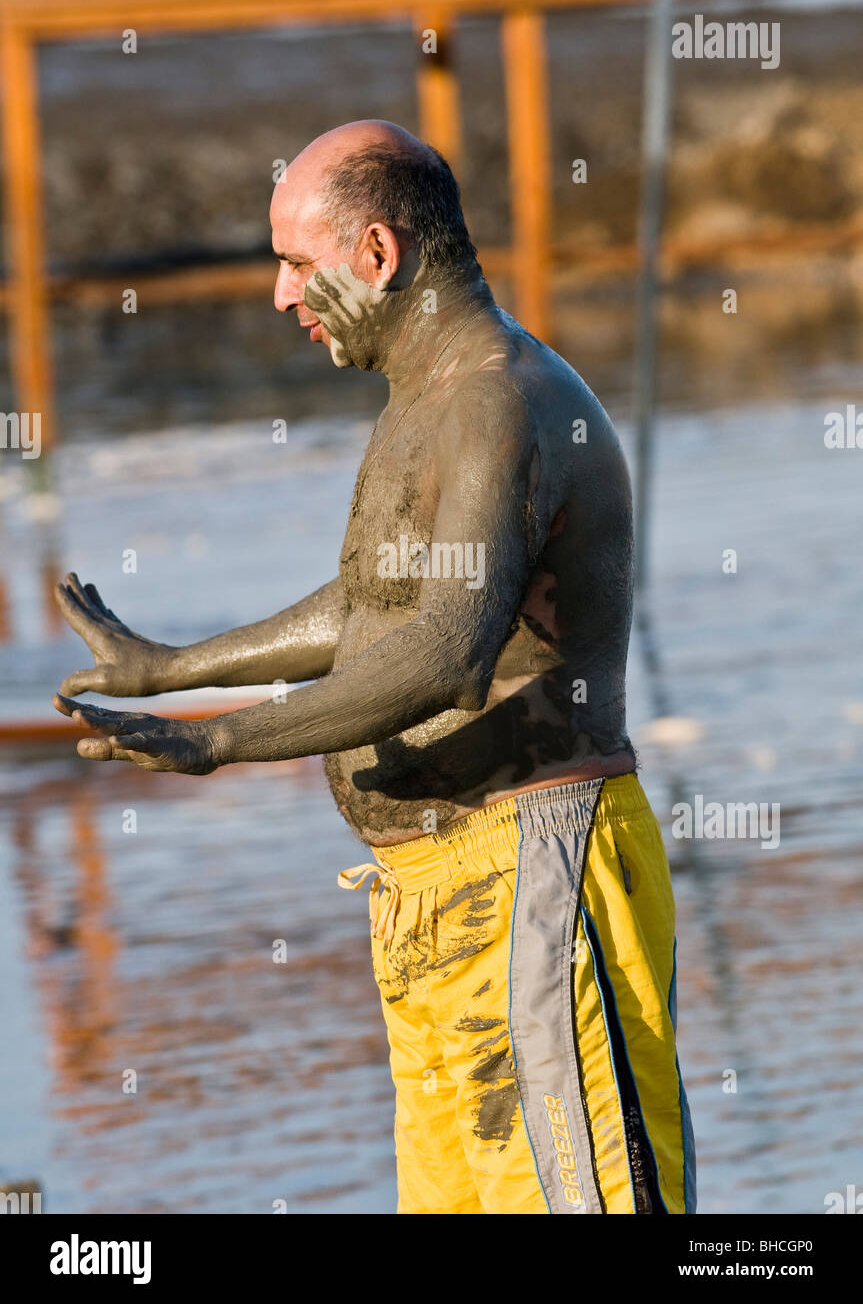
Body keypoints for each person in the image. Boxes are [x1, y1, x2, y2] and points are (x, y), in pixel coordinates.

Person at [52, 119, 695, 1215]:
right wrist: (170, 670)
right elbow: (370, 607)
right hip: (432, 905)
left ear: (378, 256)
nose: (278, 294)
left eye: (296, 263)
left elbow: (446, 651)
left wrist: (222, 740)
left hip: (528, 879)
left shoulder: (499, 397)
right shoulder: (429, 395)